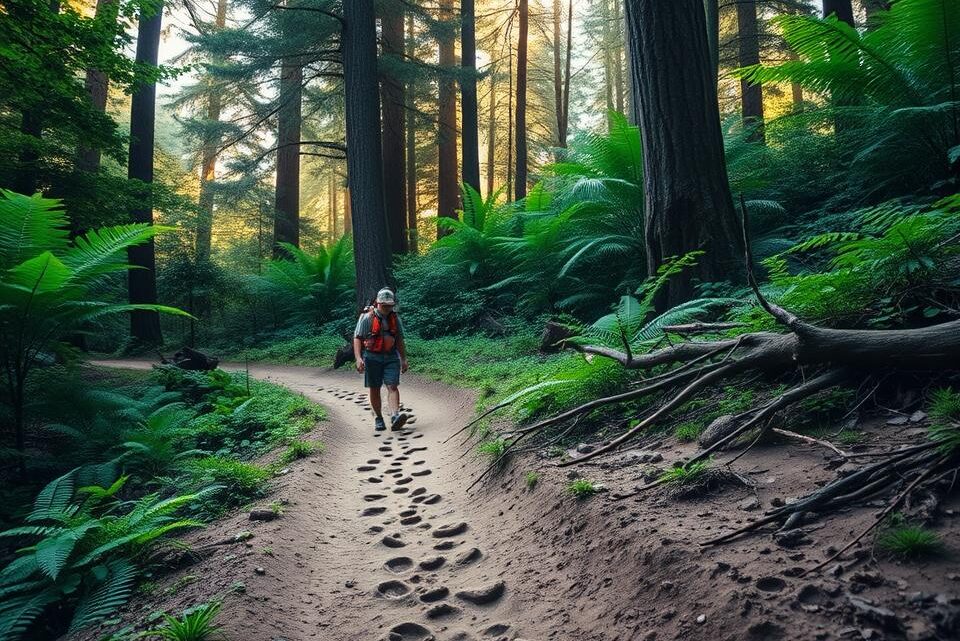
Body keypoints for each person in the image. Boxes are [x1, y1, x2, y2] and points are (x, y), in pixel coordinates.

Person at [353, 288, 410, 431]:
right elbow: (358, 338)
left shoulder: (395, 319)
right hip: (372, 357)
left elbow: (399, 340)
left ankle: (395, 416)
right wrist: (358, 358)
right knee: (375, 388)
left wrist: (403, 359)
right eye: (384, 305)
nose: (386, 308)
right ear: (378, 303)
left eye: (389, 305)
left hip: (391, 356)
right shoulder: (367, 318)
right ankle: (379, 418)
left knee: (392, 386)